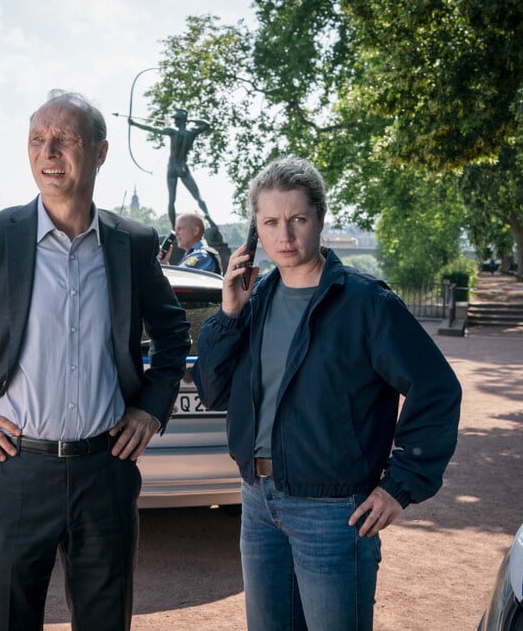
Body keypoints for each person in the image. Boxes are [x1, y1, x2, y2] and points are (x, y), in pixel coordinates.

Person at [0, 90, 190, 631]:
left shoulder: (132, 244)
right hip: (11, 469)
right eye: (36, 139)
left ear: (99, 152)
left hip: (106, 471)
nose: (48, 151)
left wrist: (151, 409)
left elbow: (171, 332)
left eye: (65, 138)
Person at [192, 155, 461, 630]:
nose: (285, 236)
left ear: (319, 219)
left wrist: (401, 484)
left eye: (297, 219)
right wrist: (229, 312)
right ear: (256, 230)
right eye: (271, 222)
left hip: (334, 514)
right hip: (257, 502)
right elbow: (212, 390)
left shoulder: (366, 302)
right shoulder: (256, 303)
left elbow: (436, 388)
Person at [129, 109, 212, 229]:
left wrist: (135, 124)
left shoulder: (173, 132)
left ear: (182, 120)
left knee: (172, 200)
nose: (175, 121)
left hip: (173, 168)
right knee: (196, 197)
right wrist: (190, 120)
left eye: (177, 119)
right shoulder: (191, 133)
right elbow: (206, 124)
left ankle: (174, 229)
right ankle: (207, 218)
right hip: (183, 167)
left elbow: (153, 129)